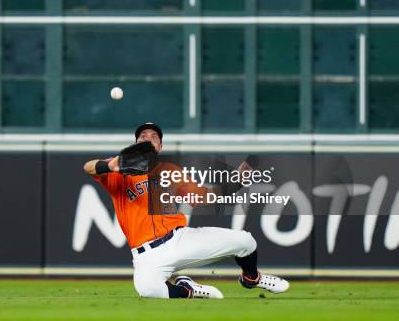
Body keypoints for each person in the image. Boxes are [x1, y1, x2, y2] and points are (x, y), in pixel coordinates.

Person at [83, 122, 289, 299]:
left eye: (154, 137)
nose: (148, 138)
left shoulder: (170, 171)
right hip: (147, 255)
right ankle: (187, 288)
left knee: (246, 241)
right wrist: (110, 166)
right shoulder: (119, 170)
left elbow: (204, 198)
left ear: (160, 146)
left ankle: (252, 278)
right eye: (143, 136)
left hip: (179, 240)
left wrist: (237, 182)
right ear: (135, 144)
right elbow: (88, 166)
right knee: (148, 290)